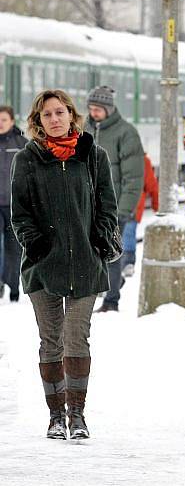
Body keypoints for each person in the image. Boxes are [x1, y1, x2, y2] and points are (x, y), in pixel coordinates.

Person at [11, 89, 118, 440]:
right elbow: (20, 212)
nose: (55, 119)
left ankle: (78, 414)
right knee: (50, 341)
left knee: (77, 338)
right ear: (38, 122)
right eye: (47, 115)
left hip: (86, 264)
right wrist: (37, 245)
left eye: (60, 112)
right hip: (43, 264)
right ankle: (55, 415)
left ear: (72, 115)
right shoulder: (28, 159)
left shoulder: (94, 156)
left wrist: (99, 241)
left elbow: (107, 207)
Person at [84, 86, 144, 312]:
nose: (94, 112)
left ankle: (111, 299)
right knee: (89, 252)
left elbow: (133, 176)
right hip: (86, 205)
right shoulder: (83, 128)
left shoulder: (126, 132)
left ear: (109, 109)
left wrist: (124, 209)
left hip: (114, 205)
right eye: (91, 108)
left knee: (110, 252)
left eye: (98, 109)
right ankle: (96, 291)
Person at [0, 105, 26, 302]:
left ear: (12, 122)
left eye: (4, 120)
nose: (0, 124)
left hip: (14, 205)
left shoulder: (21, 144)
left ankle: (13, 285)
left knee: (14, 247)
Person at [121, 154, 159, 278]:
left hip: (132, 203)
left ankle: (127, 263)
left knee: (127, 232)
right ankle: (125, 263)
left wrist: (156, 204)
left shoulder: (142, 160)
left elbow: (151, 184)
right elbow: (151, 184)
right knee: (127, 233)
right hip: (124, 202)